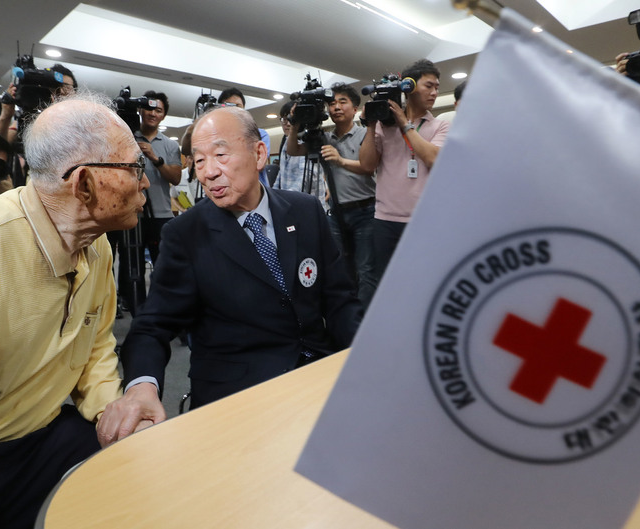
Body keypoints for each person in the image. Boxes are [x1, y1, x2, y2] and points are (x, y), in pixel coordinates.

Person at [0, 92, 150, 529]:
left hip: (44, 434)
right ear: (85, 184)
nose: (146, 182)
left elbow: (95, 346)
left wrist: (112, 407)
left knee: (141, 493)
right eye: (135, 169)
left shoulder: (98, 246)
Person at [97, 106, 362, 444]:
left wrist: (366, 356)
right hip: (242, 399)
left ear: (259, 153)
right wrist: (141, 387)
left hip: (320, 379)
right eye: (199, 160)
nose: (208, 172)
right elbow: (152, 326)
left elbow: (340, 301)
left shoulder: (305, 211)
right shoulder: (185, 234)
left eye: (220, 155)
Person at [286, 83, 377, 309]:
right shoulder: (324, 138)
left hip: (366, 211)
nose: (336, 107)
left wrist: (340, 160)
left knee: (366, 270)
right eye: (332, 103)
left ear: (355, 108)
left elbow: (369, 167)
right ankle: (347, 313)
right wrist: (295, 125)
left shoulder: (366, 133)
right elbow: (293, 151)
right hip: (336, 212)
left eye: (343, 102)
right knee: (340, 266)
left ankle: (363, 323)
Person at [359, 58, 450, 281]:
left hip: (423, 221)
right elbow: (367, 165)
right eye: (429, 86)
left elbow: (432, 159)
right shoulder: (382, 126)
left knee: (423, 281)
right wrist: (371, 126)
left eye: (437, 87)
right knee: (388, 283)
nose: (435, 92)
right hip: (384, 220)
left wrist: (404, 124)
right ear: (409, 86)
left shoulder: (441, 125)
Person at [121, 90, 182, 315]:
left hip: (161, 214)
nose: (153, 114)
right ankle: (137, 309)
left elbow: (175, 177)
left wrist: (155, 158)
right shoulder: (125, 137)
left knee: (164, 266)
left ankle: (165, 308)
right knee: (131, 266)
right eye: (149, 108)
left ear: (164, 115)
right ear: (140, 109)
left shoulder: (170, 145)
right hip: (132, 214)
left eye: (158, 110)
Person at [275, 99, 326, 206]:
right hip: (290, 202)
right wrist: (273, 194)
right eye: (283, 119)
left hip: (308, 204)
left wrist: (284, 196)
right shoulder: (286, 142)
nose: (286, 123)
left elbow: (306, 176)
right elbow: (281, 173)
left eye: (290, 119)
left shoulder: (306, 140)